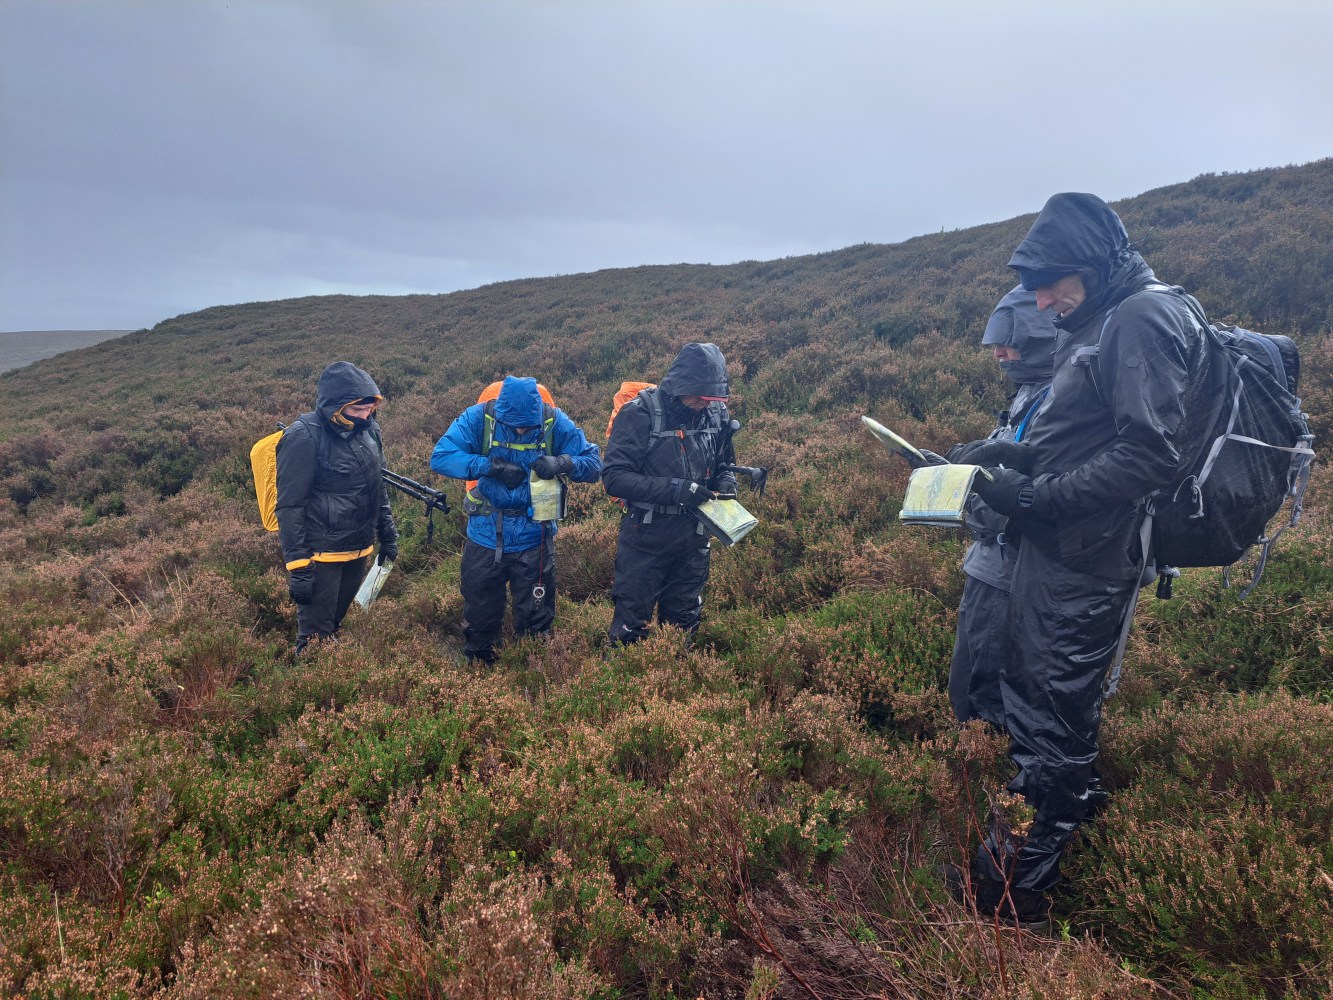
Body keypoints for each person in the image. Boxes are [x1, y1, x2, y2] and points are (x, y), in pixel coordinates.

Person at [956, 193, 1218, 925]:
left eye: (1052, 282)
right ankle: (1066, 836)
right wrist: (1012, 456)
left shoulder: (1140, 315)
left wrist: (1037, 500)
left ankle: (1015, 896)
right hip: (1069, 548)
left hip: (1084, 558)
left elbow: (1148, 454)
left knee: (1047, 719)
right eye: (1034, 285)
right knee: (1047, 707)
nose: (1040, 302)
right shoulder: (1112, 314)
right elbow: (1093, 433)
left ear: (1096, 266)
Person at [430, 376, 601, 664]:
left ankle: (531, 673)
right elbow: (441, 457)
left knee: (536, 618)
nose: (521, 429)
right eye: (514, 425)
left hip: (535, 537)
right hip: (485, 534)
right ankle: (481, 673)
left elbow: (594, 464)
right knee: (480, 616)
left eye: (528, 426)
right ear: (499, 411)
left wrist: (564, 463)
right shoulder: (478, 419)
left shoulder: (553, 421)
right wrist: (490, 466)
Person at [945, 287, 1056, 727]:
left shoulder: (1062, 397)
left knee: (989, 695)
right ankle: (976, 775)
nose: (998, 355)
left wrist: (982, 485)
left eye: (1007, 345)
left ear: (1039, 339)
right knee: (968, 682)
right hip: (990, 563)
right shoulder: (1031, 392)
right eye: (995, 346)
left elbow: (1038, 491)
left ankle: (989, 786)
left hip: (1016, 570)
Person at [602, 342, 737, 645]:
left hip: (694, 539)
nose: (705, 404)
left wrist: (727, 483)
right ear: (682, 385)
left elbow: (724, 463)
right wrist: (677, 489)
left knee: (684, 622)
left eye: (711, 398)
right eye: (700, 397)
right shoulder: (639, 413)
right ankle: (626, 682)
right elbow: (614, 478)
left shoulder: (716, 414)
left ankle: (677, 682)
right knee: (631, 625)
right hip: (645, 538)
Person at [276, 361, 398, 656]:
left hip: (358, 549)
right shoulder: (303, 436)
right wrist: (299, 566)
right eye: (357, 410)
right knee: (313, 638)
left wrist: (387, 532)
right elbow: (290, 506)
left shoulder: (370, 432)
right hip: (321, 555)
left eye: (369, 409)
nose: (364, 415)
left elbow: (377, 485)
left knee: (334, 625)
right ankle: (311, 692)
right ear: (334, 406)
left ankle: (332, 682)